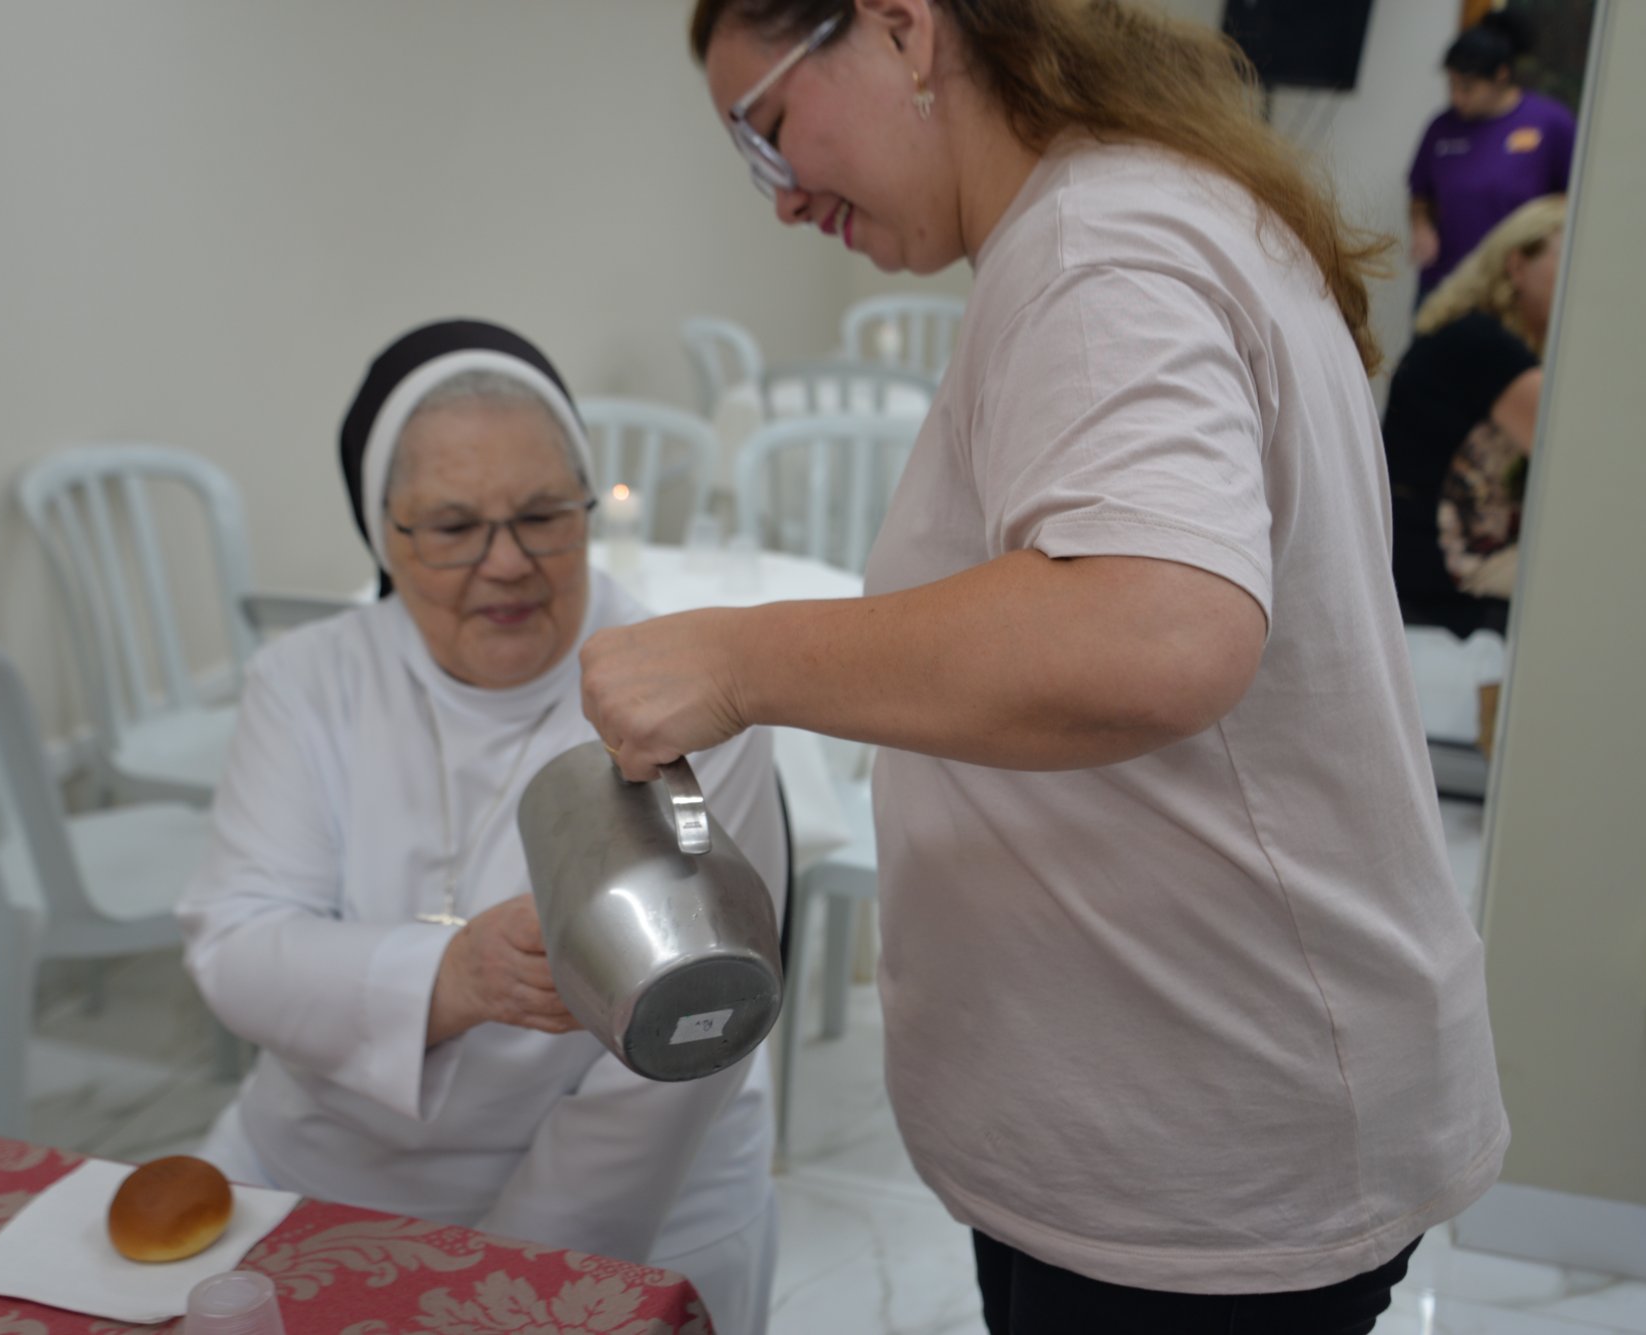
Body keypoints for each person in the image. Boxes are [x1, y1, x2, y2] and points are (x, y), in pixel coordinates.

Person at [579, 2, 1510, 1331]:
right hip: (1155, 1119)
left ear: (901, 30)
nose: (778, 197)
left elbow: (1155, 630)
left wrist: (735, 657)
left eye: (769, 128)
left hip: (1205, 1156)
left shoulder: (1098, 247)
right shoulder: (1122, 217)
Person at [177, 319, 787, 1334]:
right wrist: (453, 978)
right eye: (453, 527)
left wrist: (504, 1282)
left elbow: (689, 1040)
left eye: (542, 515)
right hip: (316, 1169)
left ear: (586, 507)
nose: (506, 564)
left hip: (626, 1209)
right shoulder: (306, 680)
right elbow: (236, 947)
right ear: (385, 535)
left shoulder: (685, 697)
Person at [1384, 194, 1566, 635]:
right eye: (1569, 258)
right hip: (1438, 593)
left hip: (1417, 576)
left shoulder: (1466, 332)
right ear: (1517, 265)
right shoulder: (1485, 345)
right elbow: (1576, 468)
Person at [1408, 10, 1575, 300]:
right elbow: (1420, 194)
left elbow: (1572, 201)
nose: (1457, 97)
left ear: (1501, 76)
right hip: (1444, 284)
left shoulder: (1550, 124)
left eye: (1467, 87)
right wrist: (1421, 228)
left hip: (1512, 289)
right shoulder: (1441, 127)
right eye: (1451, 85)